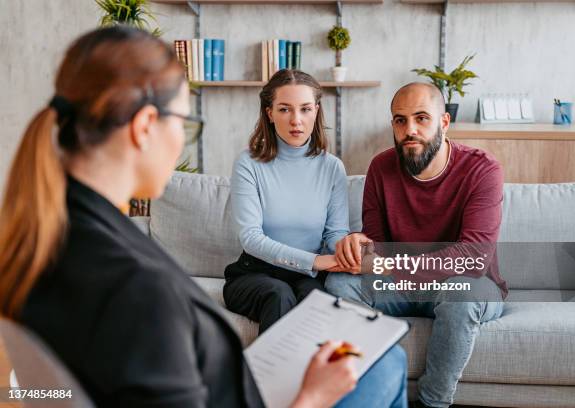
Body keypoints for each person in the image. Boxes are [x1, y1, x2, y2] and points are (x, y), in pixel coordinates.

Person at [0, 27, 407, 408]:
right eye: (184, 122)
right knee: (389, 362)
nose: (296, 120)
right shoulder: (134, 287)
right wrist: (311, 399)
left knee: (384, 359)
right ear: (145, 127)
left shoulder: (58, 239)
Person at [325, 82, 508, 408]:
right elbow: (378, 246)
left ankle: (432, 404)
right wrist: (358, 246)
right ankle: (369, 394)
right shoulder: (381, 167)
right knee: (339, 282)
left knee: (463, 293)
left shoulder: (482, 169)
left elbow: (473, 260)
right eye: (400, 120)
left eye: (421, 118)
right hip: (403, 284)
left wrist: (388, 263)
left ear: (444, 122)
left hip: (468, 285)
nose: (410, 129)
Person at [224, 69, 349, 333]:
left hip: (307, 278)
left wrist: (346, 251)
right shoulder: (248, 164)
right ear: (269, 113)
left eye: (305, 109)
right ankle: (267, 375)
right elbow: (251, 238)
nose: (296, 121)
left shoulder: (332, 168)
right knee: (279, 295)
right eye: (284, 109)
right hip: (254, 274)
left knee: (321, 302)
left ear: (316, 110)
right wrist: (314, 261)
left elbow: (335, 233)